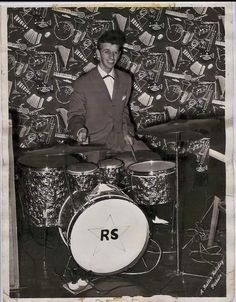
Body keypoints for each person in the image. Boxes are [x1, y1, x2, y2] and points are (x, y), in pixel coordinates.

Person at [68, 29, 149, 163]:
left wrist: (127, 131)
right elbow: (75, 115)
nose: (111, 57)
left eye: (115, 52)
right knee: (101, 177)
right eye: (107, 51)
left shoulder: (126, 79)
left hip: (121, 139)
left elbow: (123, 111)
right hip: (95, 143)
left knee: (151, 162)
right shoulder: (82, 83)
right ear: (98, 54)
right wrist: (80, 130)